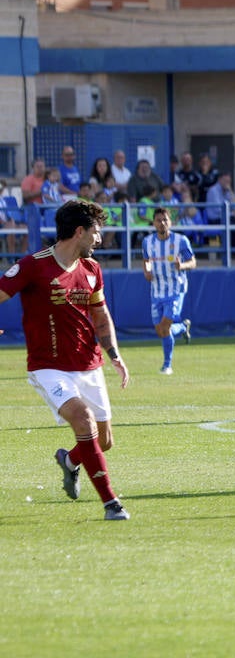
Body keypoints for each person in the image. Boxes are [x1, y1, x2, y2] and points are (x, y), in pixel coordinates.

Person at [0, 199, 131, 520]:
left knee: (104, 441)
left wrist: (114, 355)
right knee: (83, 419)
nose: (100, 239)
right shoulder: (33, 265)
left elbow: (101, 317)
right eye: (96, 232)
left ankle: (70, 461)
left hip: (89, 363)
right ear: (79, 232)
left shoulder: (92, 269)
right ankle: (111, 503)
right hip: (48, 367)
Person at [142, 206, 196, 375]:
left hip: (175, 289)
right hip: (156, 290)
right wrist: (147, 271)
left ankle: (167, 365)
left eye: (165, 219)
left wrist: (183, 265)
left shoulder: (181, 241)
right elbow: (146, 260)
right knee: (160, 330)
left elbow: (193, 262)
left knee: (165, 326)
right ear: (154, 223)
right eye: (159, 220)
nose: (162, 223)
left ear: (170, 222)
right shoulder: (147, 242)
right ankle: (182, 327)